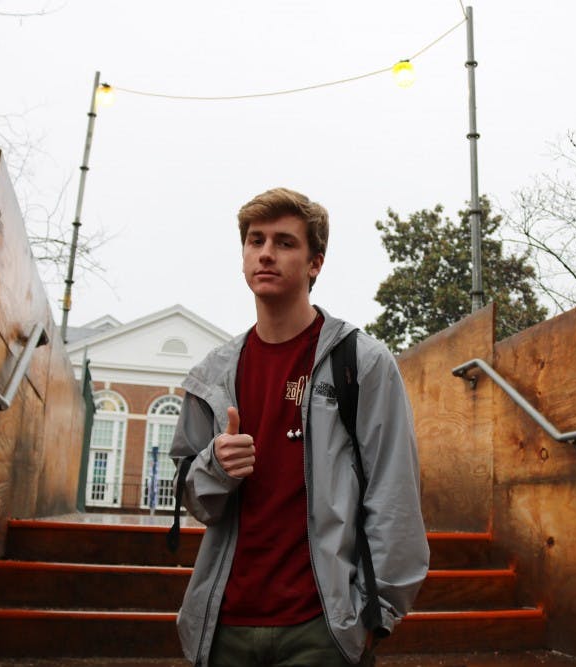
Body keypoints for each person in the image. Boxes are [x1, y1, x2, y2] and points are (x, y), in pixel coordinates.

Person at [170, 187, 429, 667]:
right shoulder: (212, 375)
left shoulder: (362, 363)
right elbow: (191, 498)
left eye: (285, 242)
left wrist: (376, 616)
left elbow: (394, 494)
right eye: (255, 240)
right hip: (224, 624)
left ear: (315, 263)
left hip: (324, 627)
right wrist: (215, 466)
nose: (266, 253)